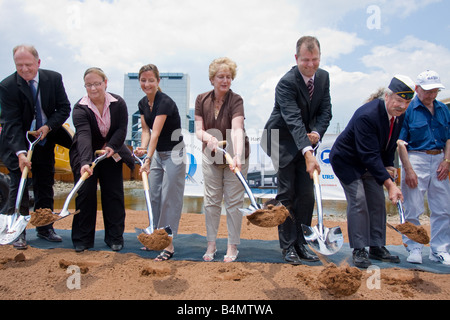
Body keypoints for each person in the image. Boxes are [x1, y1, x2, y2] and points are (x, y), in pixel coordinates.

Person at [329, 75, 416, 268]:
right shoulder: (367, 115)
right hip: (348, 162)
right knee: (359, 200)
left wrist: (389, 166)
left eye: (407, 102)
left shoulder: (399, 116)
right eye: (399, 100)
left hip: (369, 161)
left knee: (377, 201)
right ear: (387, 97)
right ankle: (359, 249)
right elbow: (368, 154)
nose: (402, 106)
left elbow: (389, 144)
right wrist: (390, 184)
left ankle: (377, 246)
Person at [260, 36, 332, 265]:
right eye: (305, 60)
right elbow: (292, 120)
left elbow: (325, 112)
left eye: (315, 59)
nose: (310, 65)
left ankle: (302, 242)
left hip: (304, 139)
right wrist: (308, 152)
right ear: (296, 58)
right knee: (287, 193)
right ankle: (288, 246)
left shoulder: (323, 77)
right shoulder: (286, 83)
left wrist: (317, 134)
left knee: (306, 194)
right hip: (280, 139)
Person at [0, 45, 71, 249]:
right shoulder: (7, 86)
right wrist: (21, 153)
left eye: (28, 65)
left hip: (45, 139)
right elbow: (10, 123)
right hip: (18, 143)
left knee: (45, 183)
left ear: (38, 63)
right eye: (19, 65)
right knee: (18, 186)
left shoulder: (53, 79)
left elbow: (64, 108)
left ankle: (44, 226)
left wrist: (48, 127)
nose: (24, 69)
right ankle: (19, 231)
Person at [70, 67, 134, 252]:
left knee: (113, 193)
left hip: (111, 150)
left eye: (97, 83)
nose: (93, 88)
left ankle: (114, 237)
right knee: (85, 193)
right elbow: (83, 135)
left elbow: (122, 129)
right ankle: (82, 239)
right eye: (88, 85)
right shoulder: (80, 108)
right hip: (85, 152)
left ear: (105, 83)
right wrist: (85, 163)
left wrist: (111, 147)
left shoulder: (118, 103)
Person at [195, 57, 250, 262]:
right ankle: (211, 244)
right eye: (221, 76)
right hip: (211, 155)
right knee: (211, 201)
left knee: (234, 202)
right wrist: (209, 138)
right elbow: (199, 130)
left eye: (228, 76)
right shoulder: (201, 99)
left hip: (235, 155)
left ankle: (232, 246)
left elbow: (237, 128)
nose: (225, 80)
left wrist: (236, 155)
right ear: (212, 79)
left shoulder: (236, 100)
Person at [397, 70, 450, 265]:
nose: (432, 95)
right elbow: (401, 142)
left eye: (435, 91)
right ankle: (414, 247)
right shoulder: (408, 110)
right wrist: (408, 169)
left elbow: (448, 138)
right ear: (417, 89)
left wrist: (447, 161)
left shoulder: (443, 109)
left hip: (439, 160)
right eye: (428, 91)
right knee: (413, 207)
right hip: (415, 158)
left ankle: (440, 250)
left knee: (443, 207)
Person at [135, 64, 186, 261]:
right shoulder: (142, 103)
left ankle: (168, 245)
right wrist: (142, 148)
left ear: (158, 81)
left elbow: (156, 132)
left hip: (174, 152)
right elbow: (146, 132)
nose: (147, 84)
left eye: (151, 80)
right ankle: (155, 237)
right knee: (154, 195)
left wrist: (147, 158)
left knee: (169, 198)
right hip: (157, 153)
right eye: (143, 80)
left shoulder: (164, 102)